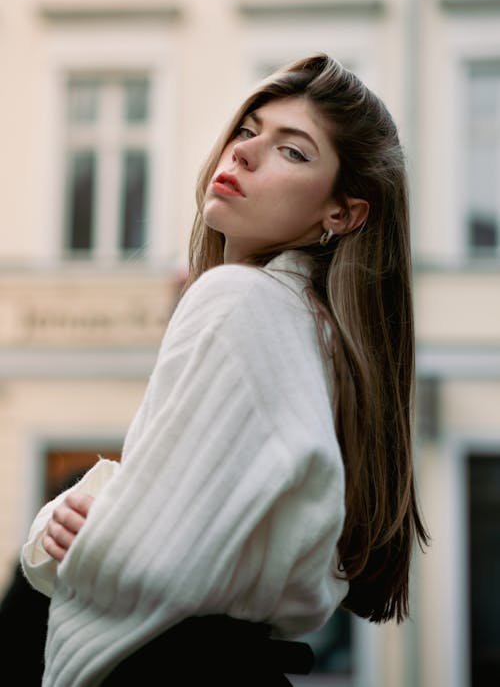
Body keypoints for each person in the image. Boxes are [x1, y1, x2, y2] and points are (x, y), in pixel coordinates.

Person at [20, 53, 429, 687]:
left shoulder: (237, 298)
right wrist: (103, 516)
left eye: (293, 152)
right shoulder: (322, 336)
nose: (243, 154)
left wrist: (63, 524)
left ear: (342, 213)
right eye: (247, 130)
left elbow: (142, 561)